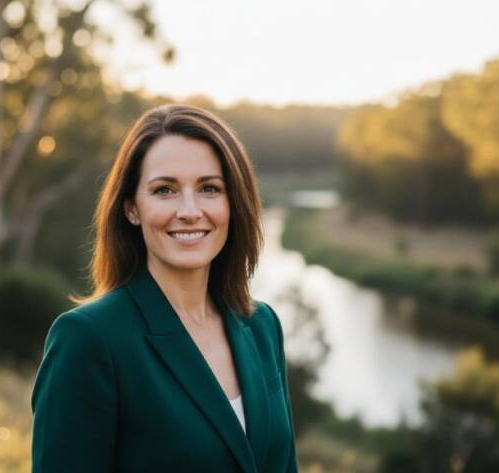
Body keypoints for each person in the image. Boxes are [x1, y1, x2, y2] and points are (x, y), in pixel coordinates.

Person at [30, 104, 298, 473]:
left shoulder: (262, 326)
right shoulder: (88, 340)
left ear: (233, 202)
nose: (189, 210)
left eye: (209, 188)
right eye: (165, 190)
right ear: (131, 209)